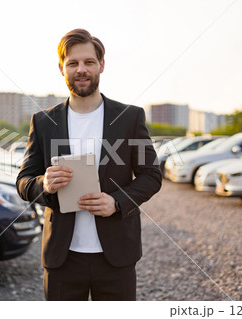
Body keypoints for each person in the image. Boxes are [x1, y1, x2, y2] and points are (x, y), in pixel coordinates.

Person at [16, 28, 162, 301]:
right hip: (62, 258)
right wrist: (44, 184)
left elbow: (151, 175)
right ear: (62, 68)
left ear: (101, 65)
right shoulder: (43, 121)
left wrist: (117, 201)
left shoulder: (130, 117)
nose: (81, 69)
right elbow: (23, 181)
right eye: (73, 63)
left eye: (89, 62)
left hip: (116, 257)